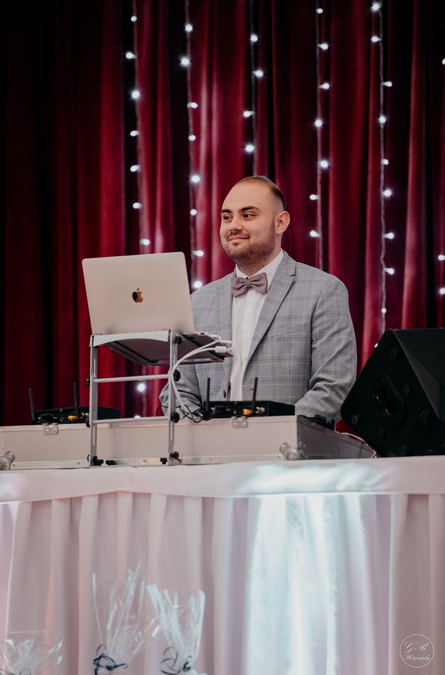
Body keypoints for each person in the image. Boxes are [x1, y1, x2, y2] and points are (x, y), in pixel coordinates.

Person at [160, 175, 357, 422]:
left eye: (248, 215)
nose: (233, 225)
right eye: (227, 217)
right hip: (211, 446)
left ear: (280, 222)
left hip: (289, 445)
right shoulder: (197, 301)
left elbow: (334, 387)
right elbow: (178, 389)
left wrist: (273, 434)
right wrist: (203, 434)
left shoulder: (323, 290)